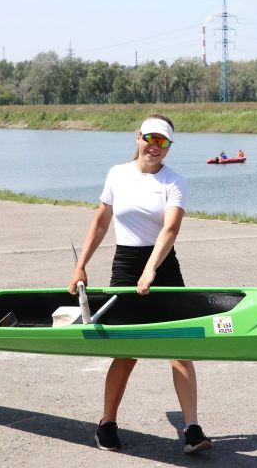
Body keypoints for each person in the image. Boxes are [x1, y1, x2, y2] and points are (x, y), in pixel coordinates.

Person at [68, 114, 213, 455]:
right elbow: (101, 221)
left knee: (180, 350)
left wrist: (151, 270)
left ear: (169, 147)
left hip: (163, 266)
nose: (155, 147)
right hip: (126, 264)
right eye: (150, 138)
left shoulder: (174, 181)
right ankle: (106, 425)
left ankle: (192, 430)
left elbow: (170, 230)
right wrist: (80, 265)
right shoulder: (117, 174)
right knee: (126, 352)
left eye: (163, 142)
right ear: (138, 137)